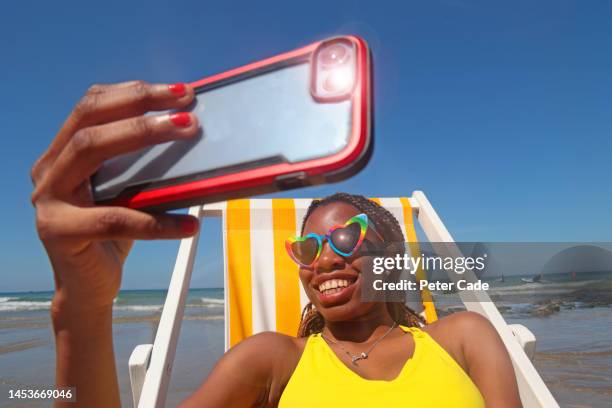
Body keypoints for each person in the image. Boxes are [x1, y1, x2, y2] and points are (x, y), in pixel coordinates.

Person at [32, 81, 522, 407]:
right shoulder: (273, 359)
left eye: (345, 238)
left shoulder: (462, 336)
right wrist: (81, 308)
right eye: (306, 248)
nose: (324, 257)